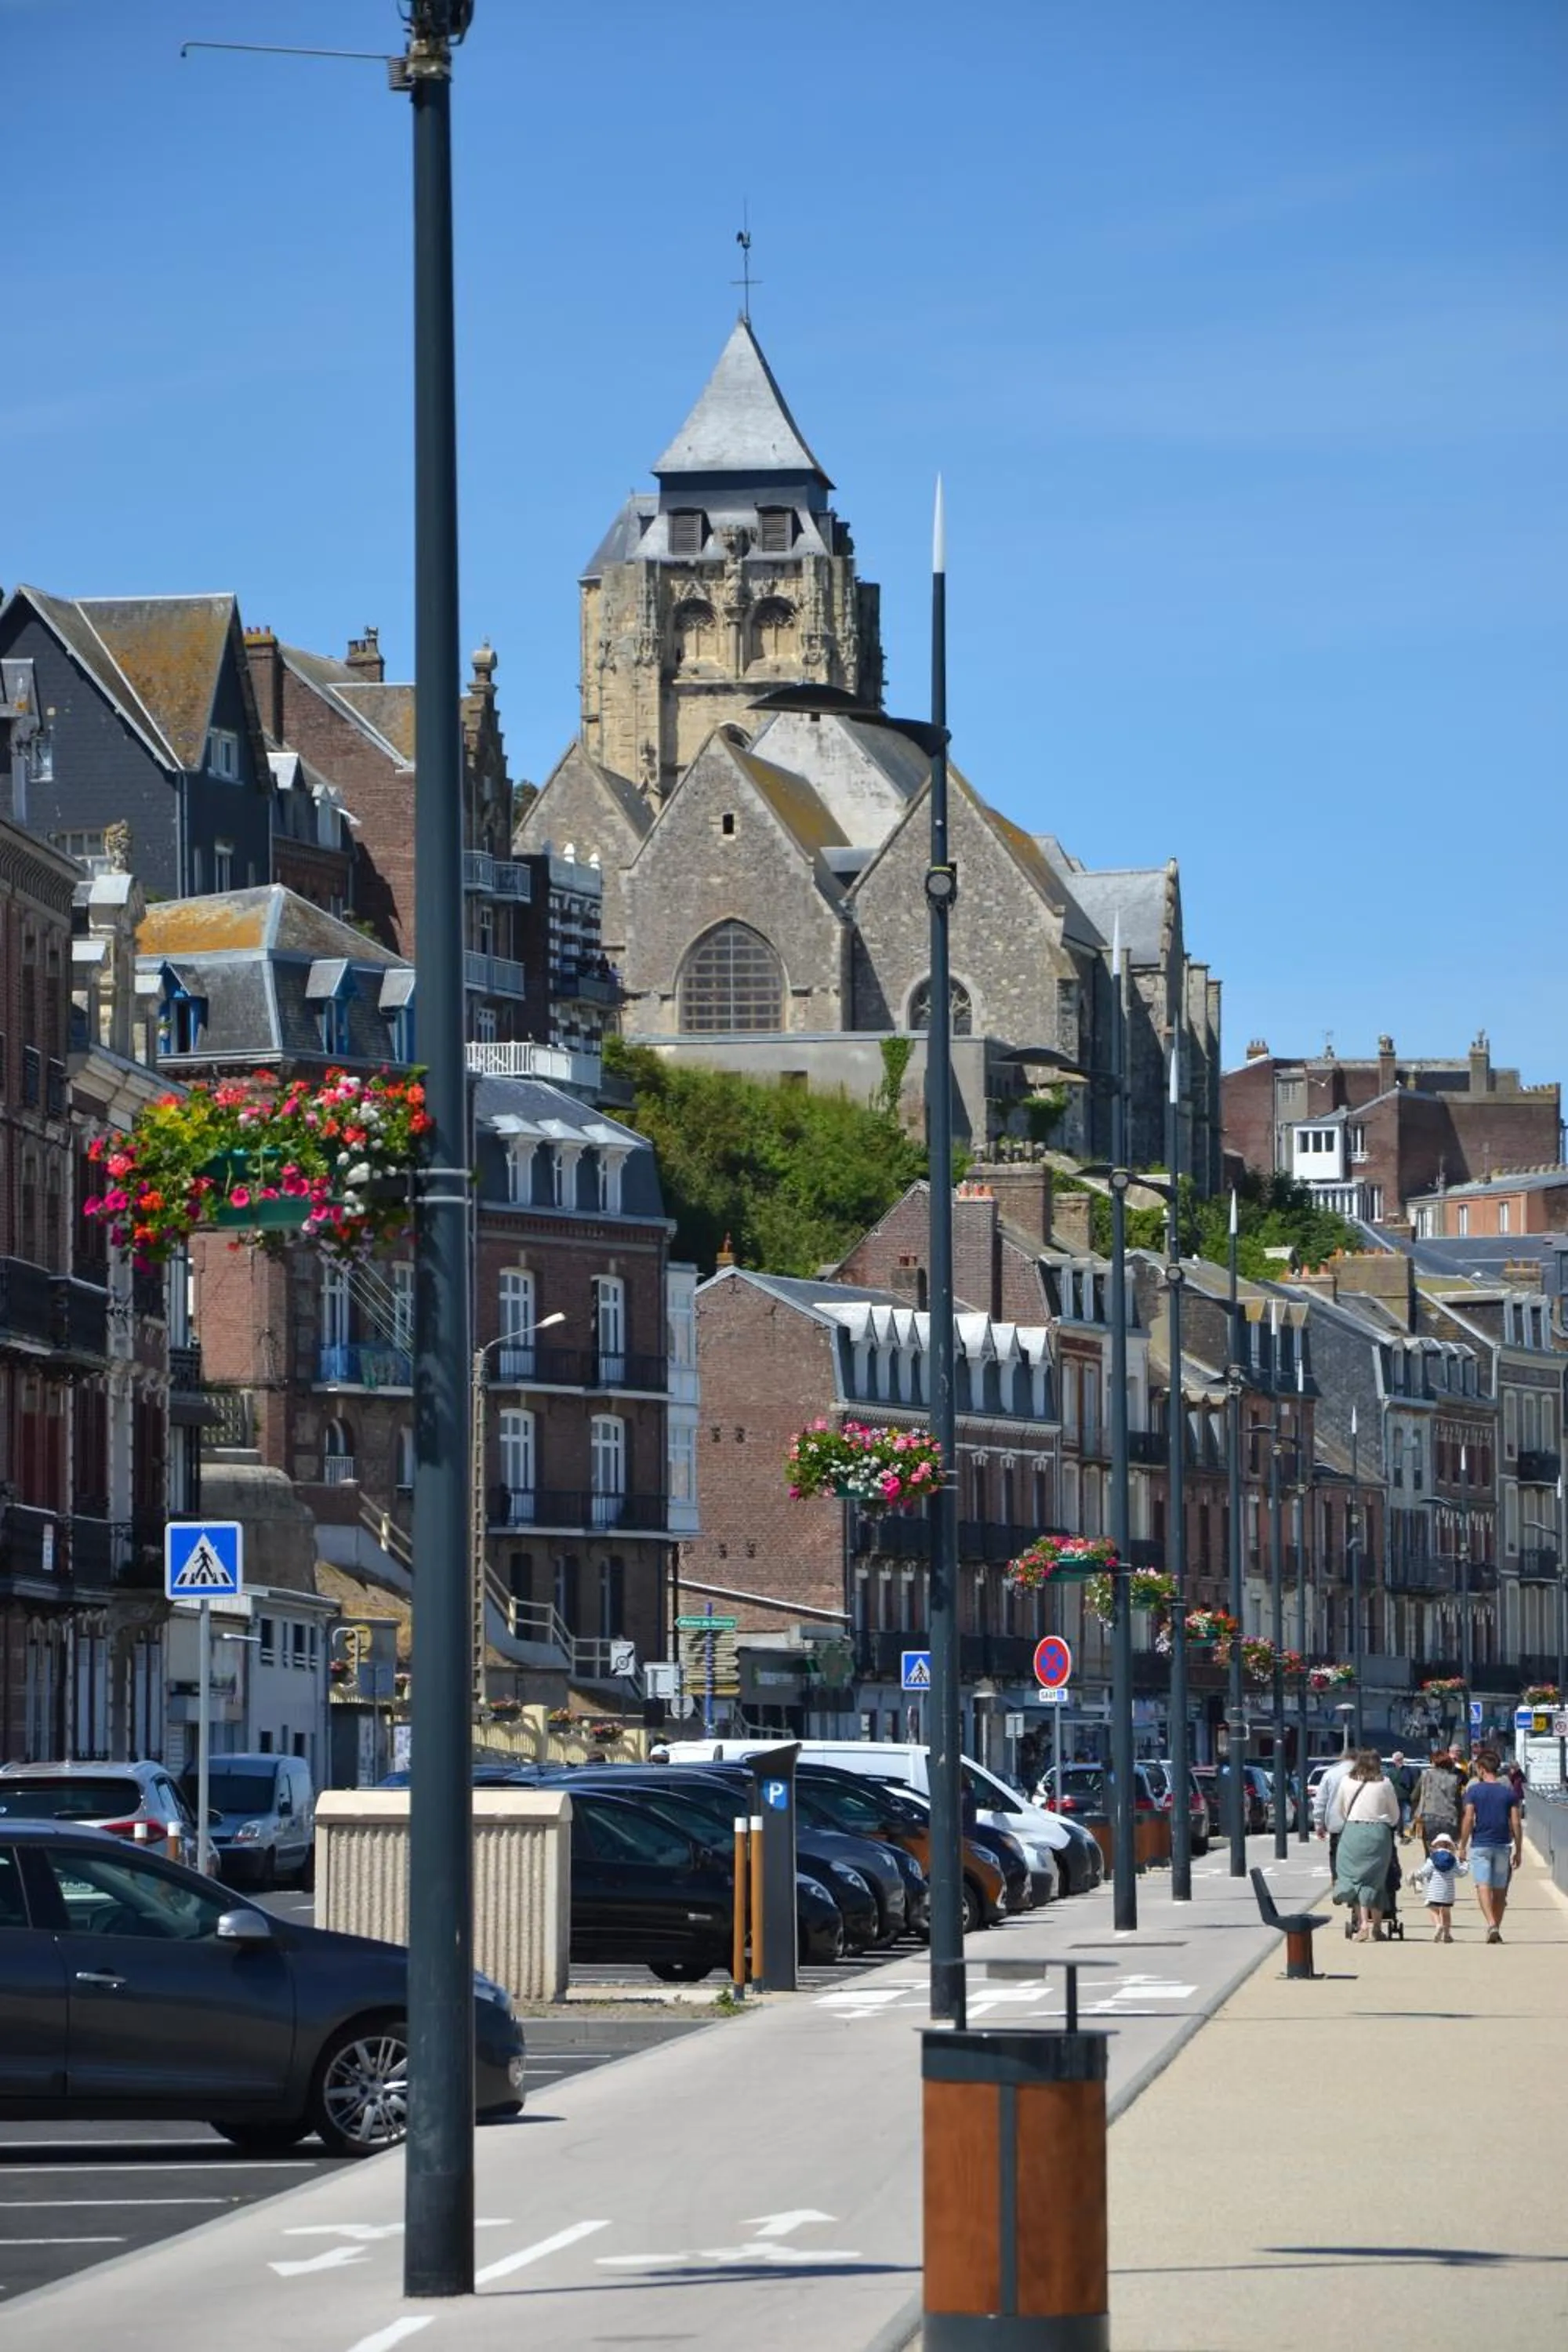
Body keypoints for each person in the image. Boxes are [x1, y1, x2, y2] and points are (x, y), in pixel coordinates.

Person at [1331, 1751, 1401, 1941]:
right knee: (1376, 1881)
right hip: (1378, 1833)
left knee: (1355, 1877)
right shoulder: (1385, 1783)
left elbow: (1341, 1809)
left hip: (1353, 1831)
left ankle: (1362, 1925)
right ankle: (1377, 1928)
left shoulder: (1346, 1781)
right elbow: (1395, 1814)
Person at [1457, 1748, 1524, 1944]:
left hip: (1480, 1844)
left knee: (1483, 1886)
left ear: (1481, 1769)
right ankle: (1496, 1927)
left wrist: (1462, 1845)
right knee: (1500, 1889)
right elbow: (1516, 1822)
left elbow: (1469, 1818)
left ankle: (1491, 1924)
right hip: (1503, 1844)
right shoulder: (1508, 1793)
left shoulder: (1474, 1791)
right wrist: (1519, 1850)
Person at [1410, 1832, 1467, 1942]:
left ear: (1436, 1845)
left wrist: (1416, 1874)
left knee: (1433, 1910)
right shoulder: (1453, 1860)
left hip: (1434, 1891)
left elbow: (1424, 1872)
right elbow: (1461, 1873)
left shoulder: (1432, 1859)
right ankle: (1447, 1934)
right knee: (1446, 1912)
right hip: (1448, 1893)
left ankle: (1438, 1925)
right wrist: (1465, 1863)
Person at [1409, 1750, 1463, 1856]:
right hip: (1450, 1820)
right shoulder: (1454, 1779)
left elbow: (1413, 1797)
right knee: (1447, 1854)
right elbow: (1458, 1803)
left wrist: (1415, 1814)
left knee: (1430, 1854)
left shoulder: (1425, 1775)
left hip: (1429, 1819)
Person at [1312, 1749, 1356, 1879]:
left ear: (1342, 1758)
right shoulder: (1364, 1773)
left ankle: (1337, 1882)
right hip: (1359, 1823)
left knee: (1336, 1854)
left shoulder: (1330, 1774)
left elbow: (1321, 1801)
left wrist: (1319, 1823)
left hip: (1337, 1823)